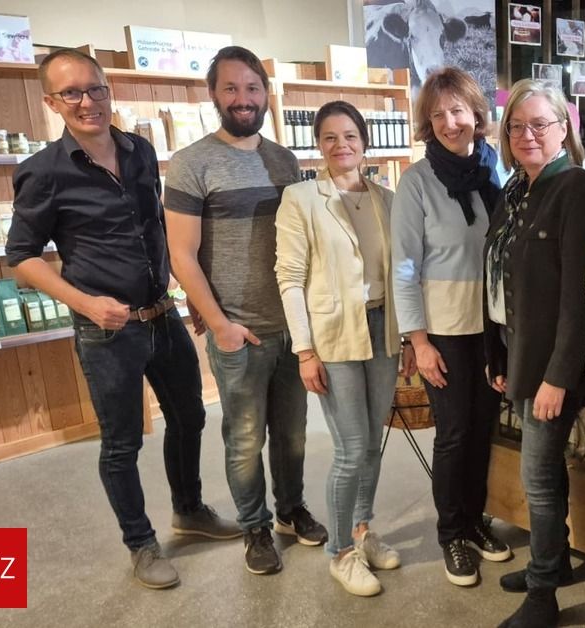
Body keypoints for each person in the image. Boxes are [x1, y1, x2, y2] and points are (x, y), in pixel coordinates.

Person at [6, 48, 240, 590]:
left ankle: (189, 510)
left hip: (163, 314)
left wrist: (192, 294)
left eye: (96, 88)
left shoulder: (140, 150)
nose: (87, 101)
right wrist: (85, 303)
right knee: (121, 443)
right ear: (51, 102)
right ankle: (140, 543)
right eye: (71, 93)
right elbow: (21, 258)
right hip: (106, 329)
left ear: (109, 90)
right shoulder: (43, 172)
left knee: (190, 417)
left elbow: (158, 228)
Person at [164, 45, 327, 576]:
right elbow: (181, 255)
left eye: (252, 88)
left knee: (294, 433)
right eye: (231, 88)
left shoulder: (285, 161)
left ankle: (290, 510)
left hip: (293, 327)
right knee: (244, 437)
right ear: (213, 94)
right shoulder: (191, 163)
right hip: (239, 329)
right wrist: (219, 325)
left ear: (265, 93)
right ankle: (255, 525)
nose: (243, 98)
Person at [275, 100, 416, 596]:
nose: (342, 145)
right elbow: (290, 278)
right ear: (318, 144)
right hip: (333, 335)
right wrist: (304, 350)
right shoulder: (301, 198)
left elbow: (402, 272)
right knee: (352, 449)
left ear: (365, 141)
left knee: (373, 444)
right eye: (330, 137)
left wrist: (408, 334)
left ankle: (361, 530)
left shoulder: (386, 198)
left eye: (350, 135)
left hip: (382, 328)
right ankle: (339, 552)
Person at [486, 80, 585, 628]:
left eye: (539, 124)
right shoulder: (516, 189)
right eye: (516, 126)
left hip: (552, 365)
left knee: (537, 478)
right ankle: (554, 565)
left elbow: (580, 293)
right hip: (519, 354)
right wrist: (497, 355)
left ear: (563, 129)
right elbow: (499, 277)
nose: (526, 135)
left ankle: (543, 594)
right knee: (546, 471)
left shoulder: (576, 187)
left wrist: (559, 375)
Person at [391, 66, 512, 587]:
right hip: (443, 331)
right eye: (437, 114)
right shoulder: (417, 182)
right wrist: (418, 341)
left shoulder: (493, 170)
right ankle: (452, 534)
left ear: (476, 114)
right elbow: (403, 266)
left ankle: (476, 520)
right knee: (454, 432)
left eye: (457, 110)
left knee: (484, 429)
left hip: (491, 325)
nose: (449, 122)